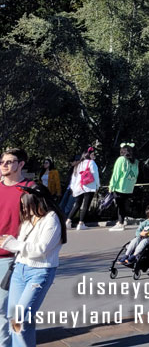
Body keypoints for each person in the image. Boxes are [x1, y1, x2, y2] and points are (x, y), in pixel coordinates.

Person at [0, 182, 66, 347]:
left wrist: (12, 244)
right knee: (13, 317)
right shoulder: (29, 219)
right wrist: (10, 242)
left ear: (38, 202)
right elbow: (22, 245)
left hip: (39, 272)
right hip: (19, 270)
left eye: (26, 206)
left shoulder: (52, 219)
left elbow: (41, 249)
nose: (24, 210)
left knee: (19, 318)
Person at [1, 147, 31, 347]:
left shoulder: (30, 189)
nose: (4, 165)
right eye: (2, 161)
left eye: (10, 161)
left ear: (21, 164)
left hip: (13, 258)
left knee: (10, 311)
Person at [107, 144, 139, 232]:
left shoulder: (121, 159)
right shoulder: (135, 161)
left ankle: (120, 223)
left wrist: (111, 186)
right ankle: (120, 221)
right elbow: (136, 174)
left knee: (120, 205)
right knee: (123, 205)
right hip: (129, 187)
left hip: (120, 186)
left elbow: (116, 174)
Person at [67, 149, 99, 230]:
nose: (94, 156)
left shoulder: (79, 164)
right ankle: (81, 223)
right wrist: (97, 185)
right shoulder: (91, 163)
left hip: (78, 187)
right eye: (93, 154)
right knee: (85, 205)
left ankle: (68, 221)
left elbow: (74, 177)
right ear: (89, 155)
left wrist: (73, 188)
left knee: (77, 205)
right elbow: (95, 175)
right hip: (89, 187)